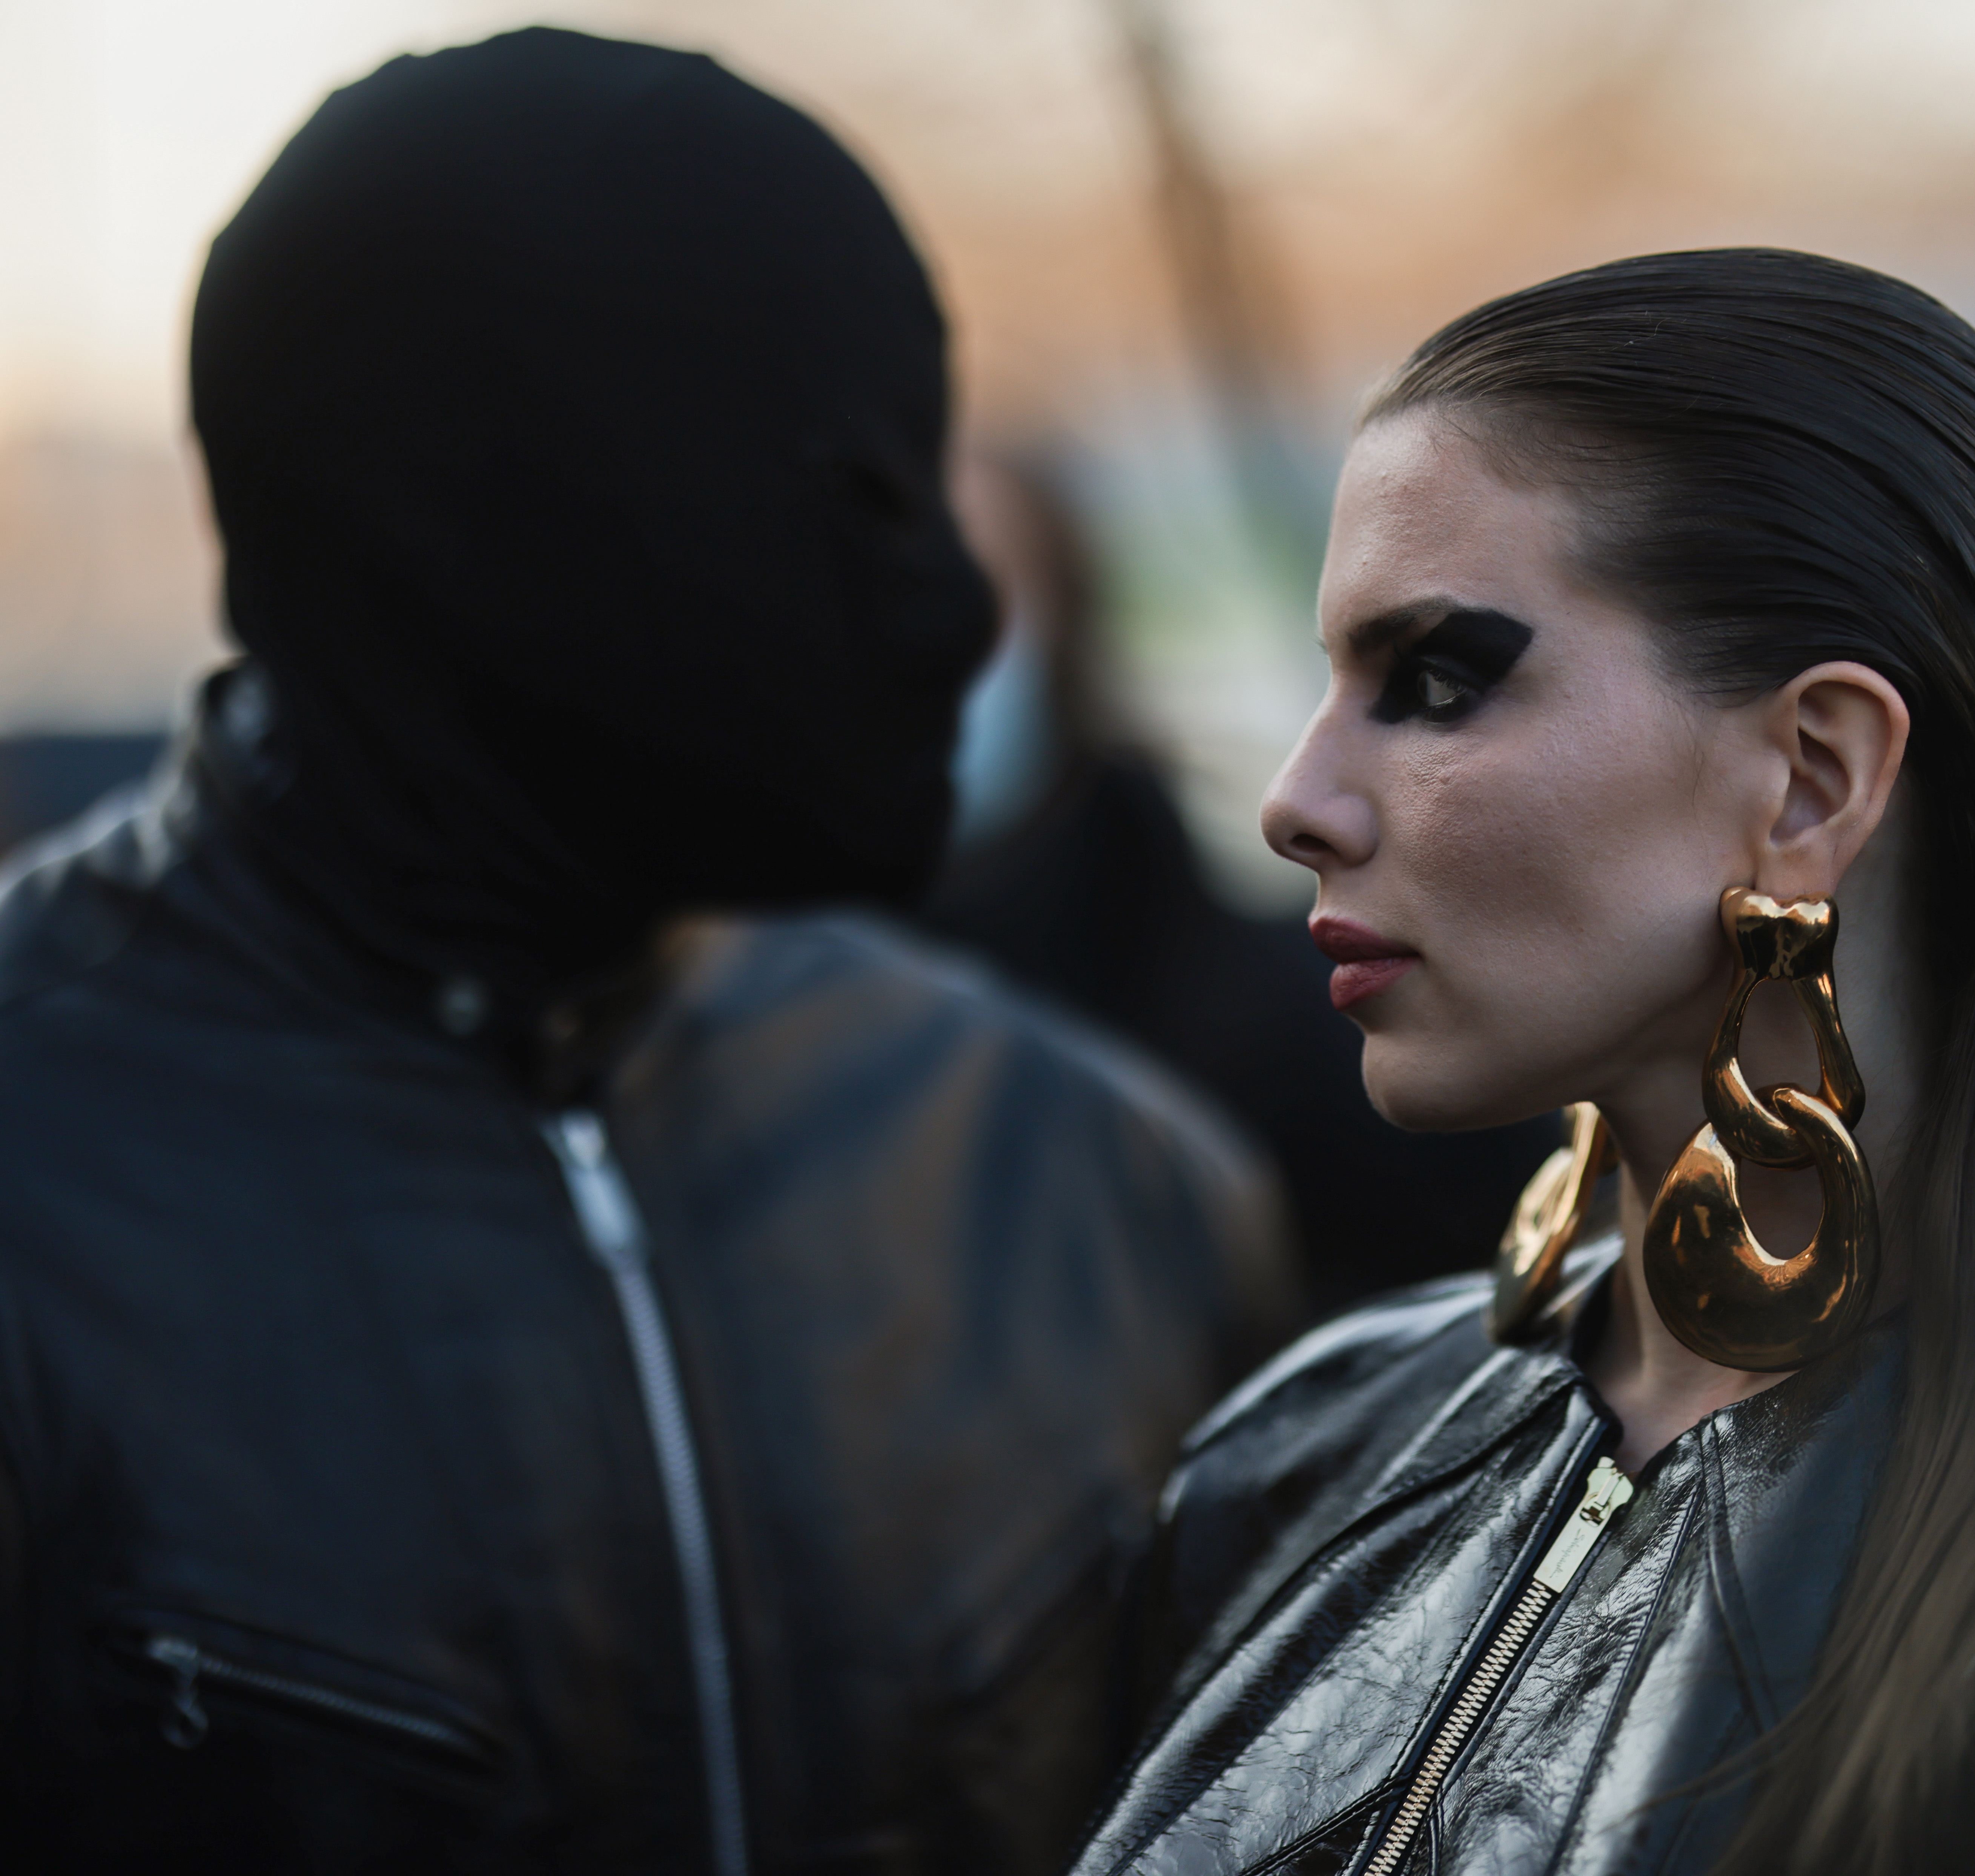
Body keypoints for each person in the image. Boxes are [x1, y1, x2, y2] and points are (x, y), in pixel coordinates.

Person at [0, 30, 1285, 1874]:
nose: (943, 605)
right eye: (834, 495)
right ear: (472, 525)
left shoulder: (1085, 1177)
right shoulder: (36, 1207)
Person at [1070, 250, 1975, 1876]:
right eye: (1329, 681)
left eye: (1435, 680)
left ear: (1812, 779)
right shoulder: (1292, 1455)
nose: (1295, 798)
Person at [923, 451, 1559, 1313]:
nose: (1298, 805)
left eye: (976, 600)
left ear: (1064, 624)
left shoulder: (1323, 1025)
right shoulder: (751, 1044)